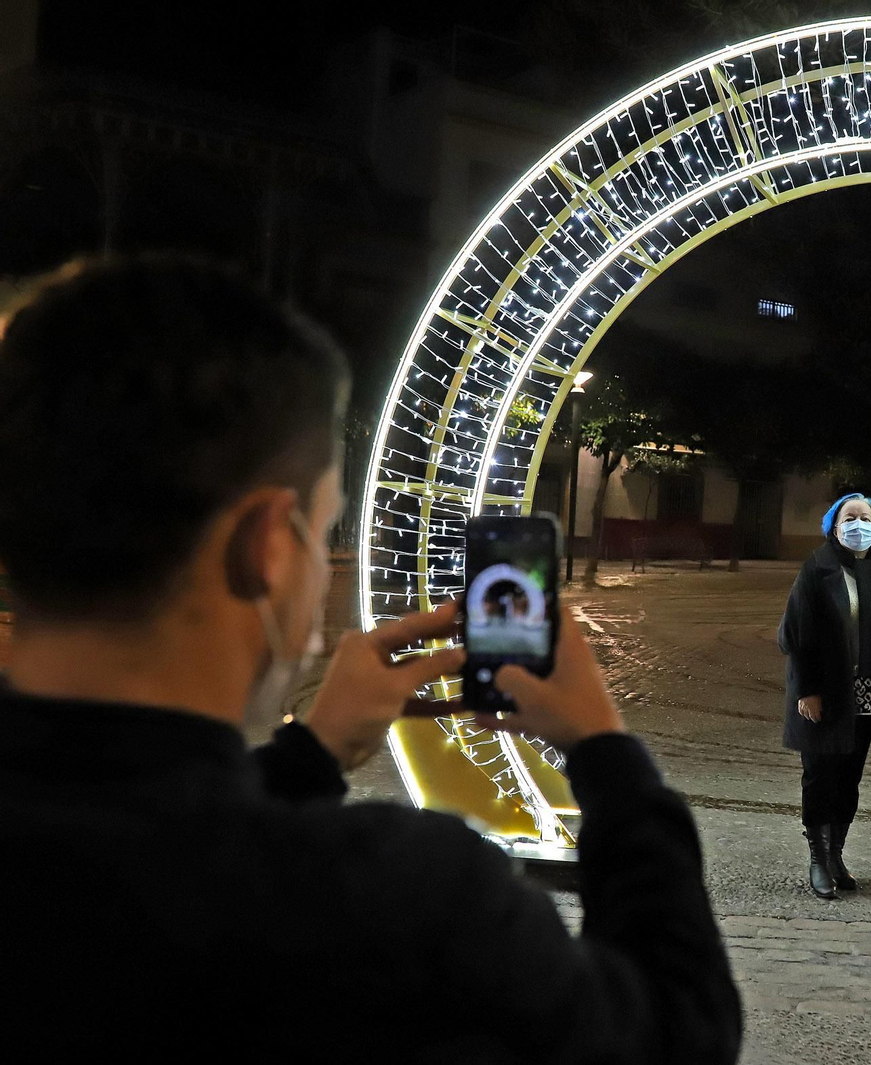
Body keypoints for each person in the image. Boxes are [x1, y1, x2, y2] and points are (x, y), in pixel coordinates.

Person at [0, 256, 741, 1062]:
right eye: (324, 533)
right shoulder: (403, 905)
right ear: (269, 547)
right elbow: (679, 1028)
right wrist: (606, 754)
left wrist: (309, 755)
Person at [777, 492, 871, 899]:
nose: (858, 524)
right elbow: (796, 635)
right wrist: (807, 690)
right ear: (834, 526)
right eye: (849, 517)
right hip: (823, 692)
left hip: (867, 695)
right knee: (818, 776)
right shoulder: (817, 568)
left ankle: (837, 854)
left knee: (849, 779)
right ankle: (817, 859)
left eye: (865, 517)